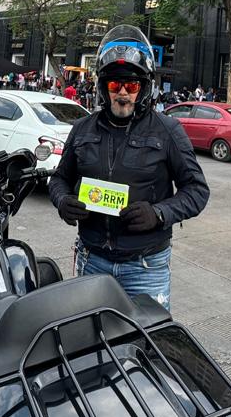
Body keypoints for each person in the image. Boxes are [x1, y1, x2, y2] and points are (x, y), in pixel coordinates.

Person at [48, 24, 209, 311]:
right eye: (115, 85)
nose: (123, 92)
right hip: (92, 259)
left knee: (147, 345)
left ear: (144, 88)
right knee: (88, 342)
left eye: (131, 86)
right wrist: (62, 201)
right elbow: (59, 179)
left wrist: (160, 213)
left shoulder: (167, 131)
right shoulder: (82, 130)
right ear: (103, 88)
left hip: (145, 267)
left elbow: (197, 190)